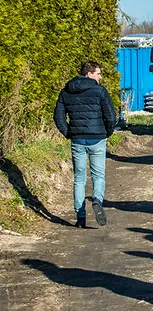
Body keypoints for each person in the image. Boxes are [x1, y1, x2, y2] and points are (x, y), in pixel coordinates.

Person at [54, 62, 117, 228]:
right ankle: (97, 199)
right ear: (89, 74)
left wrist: (69, 132)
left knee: (79, 179)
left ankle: (80, 217)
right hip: (97, 138)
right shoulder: (100, 91)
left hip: (77, 139)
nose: (100, 77)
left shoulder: (65, 91)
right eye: (98, 74)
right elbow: (110, 115)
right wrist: (107, 132)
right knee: (98, 175)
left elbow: (58, 117)